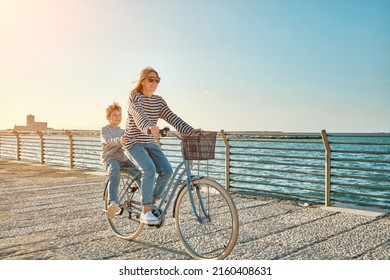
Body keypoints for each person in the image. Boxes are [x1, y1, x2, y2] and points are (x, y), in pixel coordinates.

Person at [124, 66, 194, 225]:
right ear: (142, 81)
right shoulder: (134, 98)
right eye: (151, 79)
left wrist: (191, 131)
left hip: (149, 142)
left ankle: (152, 201)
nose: (154, 83)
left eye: (157, 80)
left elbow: (172, 118)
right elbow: (139, 115)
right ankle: (145, 211)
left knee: (167, 170)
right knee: (149, 168)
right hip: (133, 141)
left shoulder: (158, 101)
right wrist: (149, 127)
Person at [100, 101, 139, 219]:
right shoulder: (105, 130)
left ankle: (137, 193)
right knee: (114, 172)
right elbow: (108, 141)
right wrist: (120, 140)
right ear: (108, 117)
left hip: (123, 158)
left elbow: (132, 138)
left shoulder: (123, 131)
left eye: (120, 115)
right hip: (110, 158)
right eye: (115, 115)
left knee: (139, 172)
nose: (118, 117)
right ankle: (112, 202)